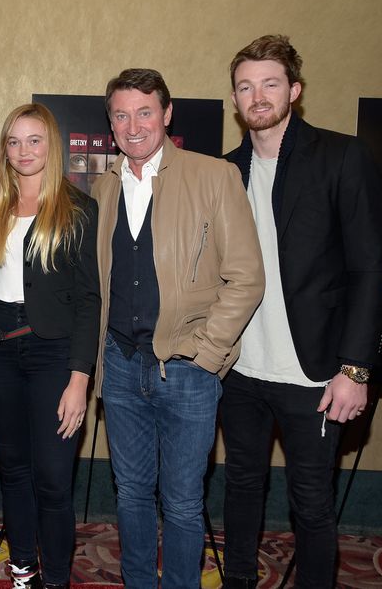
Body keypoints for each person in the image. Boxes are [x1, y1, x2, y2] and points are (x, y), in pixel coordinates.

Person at [221, 35, 382, 589]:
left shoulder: (341, 157)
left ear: (294, 90)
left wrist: (355, 369)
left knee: (312, 505)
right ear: (236, 99)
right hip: (241, 371)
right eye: (245, 86)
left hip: (316, 374)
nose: (257, 95)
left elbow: (369, 270)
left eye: (270, 83)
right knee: (241, 490)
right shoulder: (225, 172)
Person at [92, 68, 264, 589]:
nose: (133, 125)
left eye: (145, 112)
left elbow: (247, 278)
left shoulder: (214, 177)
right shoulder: (101, 188)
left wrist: (208, 355)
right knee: (131, 493)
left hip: (188, 369)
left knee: (185, 502)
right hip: (120, 366)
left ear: (167, 115)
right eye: (121, 115)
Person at [0, 103, 101, 589]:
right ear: (5, 149)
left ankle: (58, 579)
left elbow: (90, 300)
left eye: (34, 140)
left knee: (52, 477)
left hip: (52, 354)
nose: (24, 151)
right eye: (14, 141)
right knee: (15, 472)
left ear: (52, 146)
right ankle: (23, 569)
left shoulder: (80, 209)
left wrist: (79, 377)